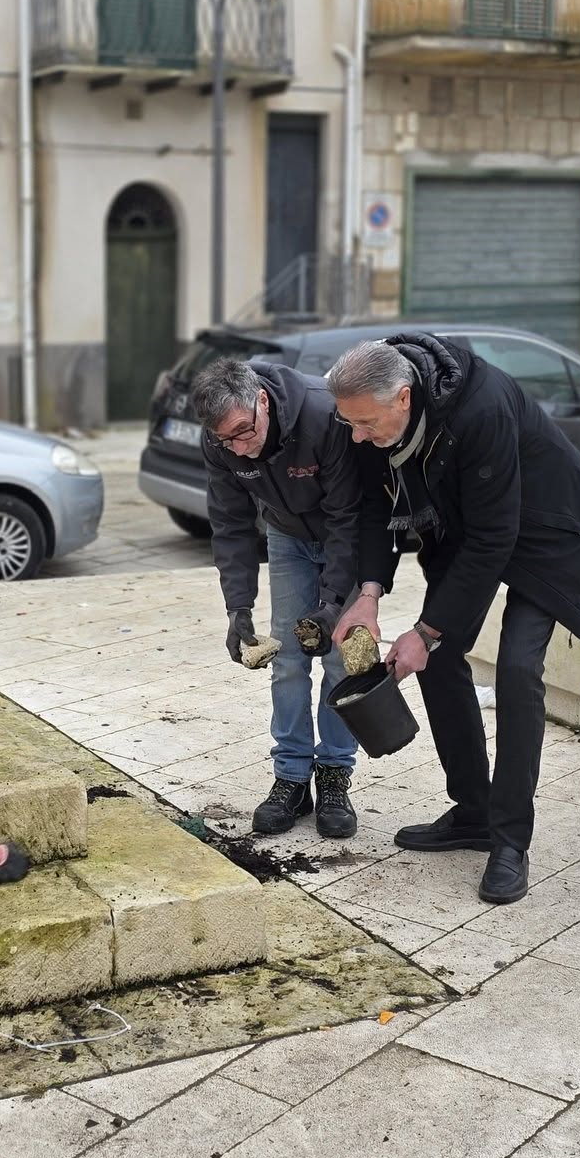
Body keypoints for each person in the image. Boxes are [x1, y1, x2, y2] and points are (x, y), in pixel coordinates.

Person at [327, 333, 580, 904]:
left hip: (551, 537)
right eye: (350, 426)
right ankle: (474, 811)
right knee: (437, 664)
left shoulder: (481, 406)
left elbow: (496, 537)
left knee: (516, 670)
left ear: (404, 398)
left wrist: (426, 630)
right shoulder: (367, 412)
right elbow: (375, 506)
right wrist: (367, 595)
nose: (358, 436)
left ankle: (510, 840)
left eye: (366, 424)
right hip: (471, 530)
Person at [192, 356, 363, 840]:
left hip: (340, 534)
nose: (240, 449)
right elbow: (229, 524)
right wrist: (237, 607)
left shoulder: (322, 415)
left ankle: (334, 775)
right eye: (227, 440)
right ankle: (291, 776)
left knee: (339, 660)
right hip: (286, 536)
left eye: (245, 432)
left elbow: (350, 516)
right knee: (288, 658)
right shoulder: (222, 439)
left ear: (262, 401)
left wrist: (332, 604)